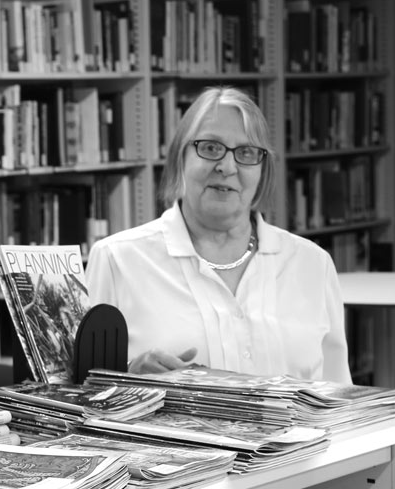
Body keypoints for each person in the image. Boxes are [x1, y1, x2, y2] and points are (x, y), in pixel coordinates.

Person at [86, 85, 351, 383]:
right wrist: (128, 375)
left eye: (246, 153)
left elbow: (340, 401)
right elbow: (79, 393)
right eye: (210, 148)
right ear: (179, 157)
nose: (227, 167)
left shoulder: (312, 264)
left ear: (263, 170)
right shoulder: (117, 260)